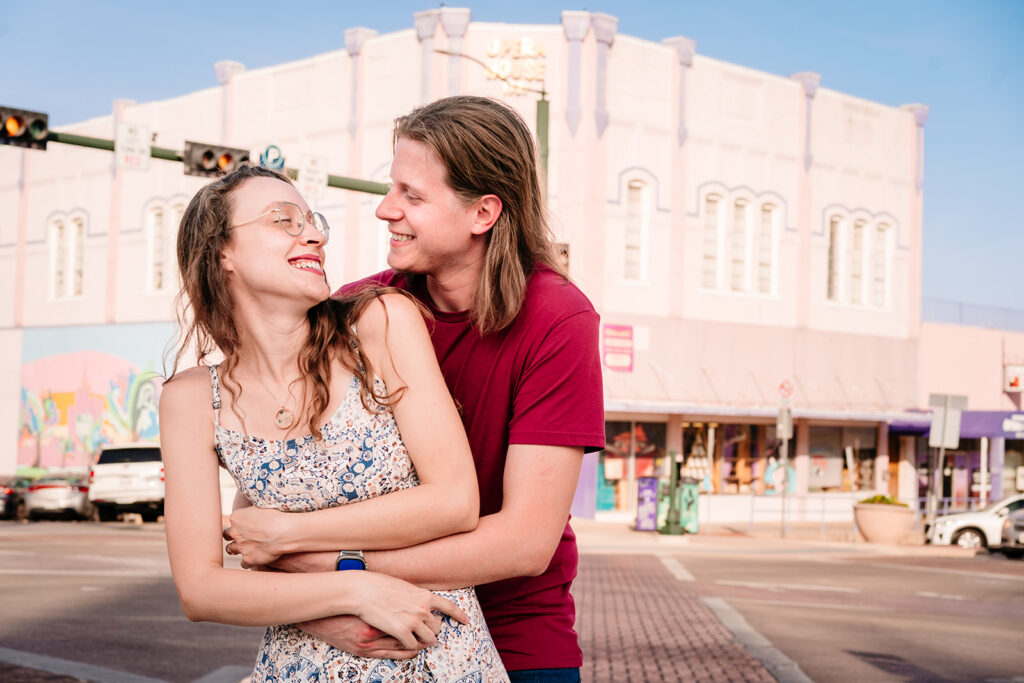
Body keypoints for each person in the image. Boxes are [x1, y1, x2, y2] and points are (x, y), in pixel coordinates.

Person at [226, 96, 606, 681]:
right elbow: (268, 498)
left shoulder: (557, 319)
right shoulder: (362, 309)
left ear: (483, 213)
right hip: (365, 634)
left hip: (516, 636)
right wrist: (334, 597)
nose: (385, 209)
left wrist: (338, 571)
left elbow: (524, 543)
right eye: (391, 187)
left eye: (413, 195)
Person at [160, 163, 508, 681]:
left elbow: (455, 501)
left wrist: (288, 533)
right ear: (222, 252)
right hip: (298, 662)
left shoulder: (380, 323)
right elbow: (200, 590)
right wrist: (351, 591)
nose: (315, 235)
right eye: (284, 220)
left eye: (312, 220)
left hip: (432, 652)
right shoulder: (189, 398)